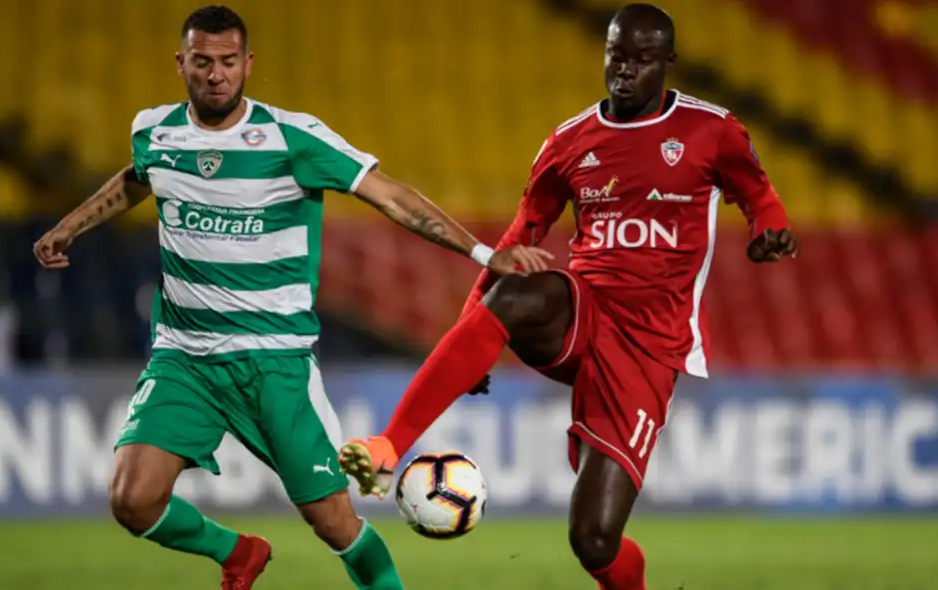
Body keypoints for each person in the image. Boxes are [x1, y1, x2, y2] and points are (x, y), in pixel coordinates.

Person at [32, 6, 550, 590]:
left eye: (229, 62)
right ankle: (239, 553)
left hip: (272, 361)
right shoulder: (155, 131)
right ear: (181, 64)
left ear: (248, 64)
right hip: (185, 357)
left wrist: (484, 255)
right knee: (132, 500)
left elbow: (392, 198)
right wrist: (70, 225)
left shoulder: (290, 137)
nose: (216, 75)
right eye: (202, 62)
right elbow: (138, 176)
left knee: (333, 523)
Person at [339, 4, 799, 589]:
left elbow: (758, 193)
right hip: (583, 307)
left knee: (594, 540)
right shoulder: (570, 141)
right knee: (519, 285)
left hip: (650, 346)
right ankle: (386, 446)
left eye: (642, 59)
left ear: (668, 63)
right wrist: (472, 323)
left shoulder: (712, 130)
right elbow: (518, 237)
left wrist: (769, 229)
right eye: (616, 56)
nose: (625, 71)